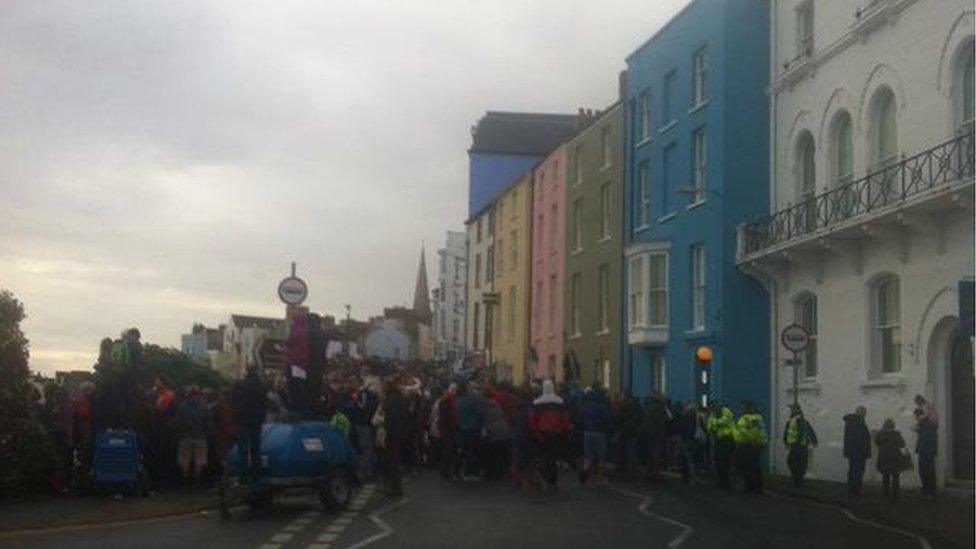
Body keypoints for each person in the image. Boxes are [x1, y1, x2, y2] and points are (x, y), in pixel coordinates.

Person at [530, 379, 572, 491]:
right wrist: (566, 430)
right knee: (552, 458)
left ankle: (542, 475)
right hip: (556, 434)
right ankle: (552, 481)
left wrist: (535, 432)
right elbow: (565, 419)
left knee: (543, 457)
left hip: (542, 433)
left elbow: (533, 419)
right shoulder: (560, 402)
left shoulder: (537, 403)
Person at [231, 366, 267, 484]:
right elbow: (264, 402)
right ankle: (256, 474)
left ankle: (243, 476)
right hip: (257, 419)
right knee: (256, 447)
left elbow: (233, 400)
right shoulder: (261, 386)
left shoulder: (240, 385)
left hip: (243, 419)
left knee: (243, 448)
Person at [176, 386, 212, 486]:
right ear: (198, 395)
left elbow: (178, 422)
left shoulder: (182, 407)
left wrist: (180, 433)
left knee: (184, 460)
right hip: (200, 437)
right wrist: (206, 433)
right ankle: (197, 481)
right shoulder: (205, 408)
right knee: (199, 461)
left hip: (185, 437)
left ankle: (184, 481)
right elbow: (208, 424)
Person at [580, 384, 612, 486]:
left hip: (587, 432)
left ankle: (584, 475)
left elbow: (581, 418)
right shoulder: (601, 407)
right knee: (601, 457)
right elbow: (606, 420)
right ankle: (600, 480)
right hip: (599, 433)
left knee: (588, 456)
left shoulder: (586, 407)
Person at [734, 400, 767, 494]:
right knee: (756, 467)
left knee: (747, 467)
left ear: (749, 407)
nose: (742, 408)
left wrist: (749, 441)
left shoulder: (745, 418)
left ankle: (750, 487)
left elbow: (744, 431)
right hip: (757, 445)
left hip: (747, 445)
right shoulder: (759, 417)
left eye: (744, 406)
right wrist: (762, 442)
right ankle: (758, 488)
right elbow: (762, 431)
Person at [381, 381, 408, 497]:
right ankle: (394, 487)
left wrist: (388, 428)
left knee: (392, 460)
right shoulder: (397, 397)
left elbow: (392, 416)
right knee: (393, 460)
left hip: (393, 433)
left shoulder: (391, 399)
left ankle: (395, 488)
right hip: (398, 432)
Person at [783, 405, 818, 487]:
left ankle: (798, 481)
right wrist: (786, 441)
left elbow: (805, 430)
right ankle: (798, 481)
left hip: (799, 445)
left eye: (793, 409)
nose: (791, 410)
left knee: (797, 463)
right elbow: (788, 431)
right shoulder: (793, 420)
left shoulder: (800, 420)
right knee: (794, 463)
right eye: (791, 409)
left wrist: (813, 440)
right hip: (795, 445)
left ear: (798, 410)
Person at [456, 383, 484, 481]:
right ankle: (474, 473)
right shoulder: (474, 401)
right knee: (474, 451)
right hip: (474, 428)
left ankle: (466, 473)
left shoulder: (458, 402)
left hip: (463, 429)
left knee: (464, 451)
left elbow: (456, 415)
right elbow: (480, 414)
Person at [842, 406, 871, 497]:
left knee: (852, 470)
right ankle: (855, 491)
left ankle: (852, 490)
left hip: (853, 452)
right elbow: (861, 439)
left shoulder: (851, 423)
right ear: (861, 413)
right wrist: (865, 452)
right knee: (857, 472)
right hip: (859, 452)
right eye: (864, 413)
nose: (865, 415)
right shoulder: (858, 423)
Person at [875, 419, 907, 501]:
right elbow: (902, 444)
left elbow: (877, 442)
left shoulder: (880, 434)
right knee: (895, 477)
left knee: (885, 476)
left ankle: (886, 494)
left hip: (883, 458)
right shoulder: (897, 435)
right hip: (895, 458)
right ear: (893, 426)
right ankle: (895, 495)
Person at [706, 403, 736, 489]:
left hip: (727, 439)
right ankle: (721, 482)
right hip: (718, 440)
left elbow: (723, 421)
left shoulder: (727, 412)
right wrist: (714, 423)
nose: (712, 410)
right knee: (718, 462)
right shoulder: (713, 414)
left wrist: (714, 423)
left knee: (725, 462)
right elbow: (709, 426)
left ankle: (726, 482)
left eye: (713, 408)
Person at [914, 407, 938, 498]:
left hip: (925, 450)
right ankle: (931, 491)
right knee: (930, 471)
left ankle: (927, 490)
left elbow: (916, 429)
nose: (915, 418)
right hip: (929, 450)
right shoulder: (930, 424)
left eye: (916, 416)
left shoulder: (924, 424)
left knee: (925, 471)